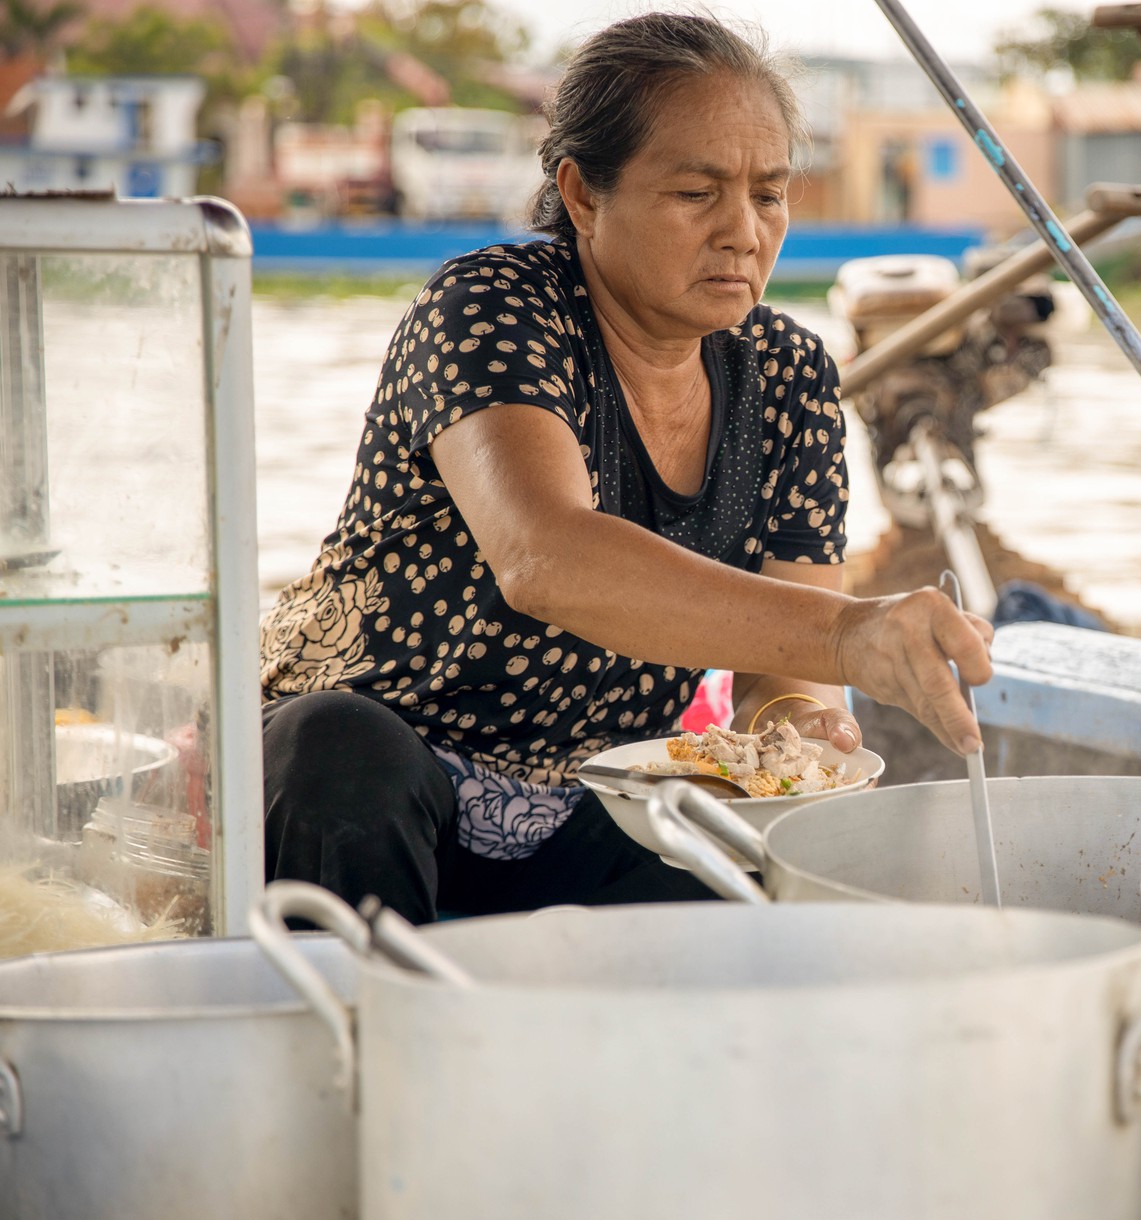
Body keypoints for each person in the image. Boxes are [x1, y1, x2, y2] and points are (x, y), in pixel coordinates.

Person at [260, 13, 991, 923]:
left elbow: (785, 669)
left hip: (596, 803)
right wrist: (850, 632)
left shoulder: (791, 374)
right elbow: (546, 557)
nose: (743, 230)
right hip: (373, 784)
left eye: (768, 194)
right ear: (582, 194)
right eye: (697, 193)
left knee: (779, 868)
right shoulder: (492, 308)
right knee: (337, 743)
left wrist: (792, 733)